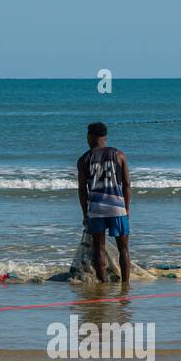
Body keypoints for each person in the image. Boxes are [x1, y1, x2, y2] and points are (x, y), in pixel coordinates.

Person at [76, 121, 132, 285]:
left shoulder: (84, 159)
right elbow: (127, 184)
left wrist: (85, 213)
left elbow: (82, 190)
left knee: (98, 248)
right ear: (105, 137)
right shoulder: (119, 155)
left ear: (90, 137)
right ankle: (125, 284)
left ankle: (104, 283)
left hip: (96, 209)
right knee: (123, 249)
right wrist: (126, 209)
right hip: (117, 207)